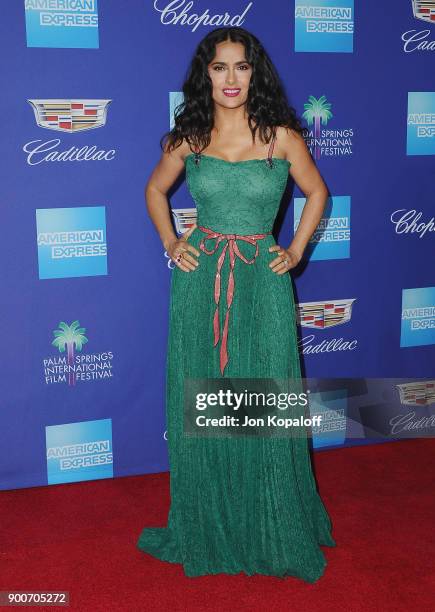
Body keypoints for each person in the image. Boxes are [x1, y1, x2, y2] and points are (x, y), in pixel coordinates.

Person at [137, 26, 335, 582]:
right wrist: (173, 243)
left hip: (261, 280)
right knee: (203, 400)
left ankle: (270, 520)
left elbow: (318, 192)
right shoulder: (189, 138)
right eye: (219, 67)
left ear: (256, 73)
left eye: (241, 67)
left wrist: (295, 249)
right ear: (206, 74)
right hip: (201, 283)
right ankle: (209, 520)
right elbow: (154, 191)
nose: (230, 78)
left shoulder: (282, 137)